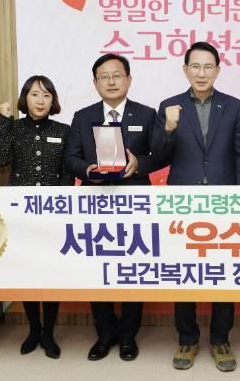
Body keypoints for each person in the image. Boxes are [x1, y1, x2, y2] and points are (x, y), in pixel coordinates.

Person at [151, 41, 240, 372]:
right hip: (183, 202)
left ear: (218, 71)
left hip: (226, 202)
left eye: (208, 67)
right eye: (195, 66)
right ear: (185, 70)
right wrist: (168, 128)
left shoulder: (234, 107)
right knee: (184, 271)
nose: (202, 73)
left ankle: (221, 339)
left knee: (224, 272)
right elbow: (157, 156)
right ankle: (187, 338)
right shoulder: (169, 107)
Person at [65, 54, 160, 362]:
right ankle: (105, 333)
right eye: (104, 76)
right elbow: (71, 157)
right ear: (95, 83)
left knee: (133, 268)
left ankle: (128, 335)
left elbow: (160, 154)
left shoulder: (147, 114)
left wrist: (139, 163)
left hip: (135, 199)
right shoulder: (82, 116)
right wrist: (87, 170)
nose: (111, 81)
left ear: (129, 79)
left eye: (117, 75)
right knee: (98, 268)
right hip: (95, 199)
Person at [0, 75, 72, 359]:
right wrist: (4, 121)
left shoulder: (64, 130)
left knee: (50, 273)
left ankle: (48, 332)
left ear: (53, 101)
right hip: (20, 214)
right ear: (25, 98)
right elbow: (0, 159)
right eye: (34, 94)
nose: (40, 100)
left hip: (53, 215)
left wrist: (61, 208)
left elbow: (67, 174)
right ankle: (34, 329)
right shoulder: (13, 128)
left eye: (46, 95)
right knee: (26, 272)